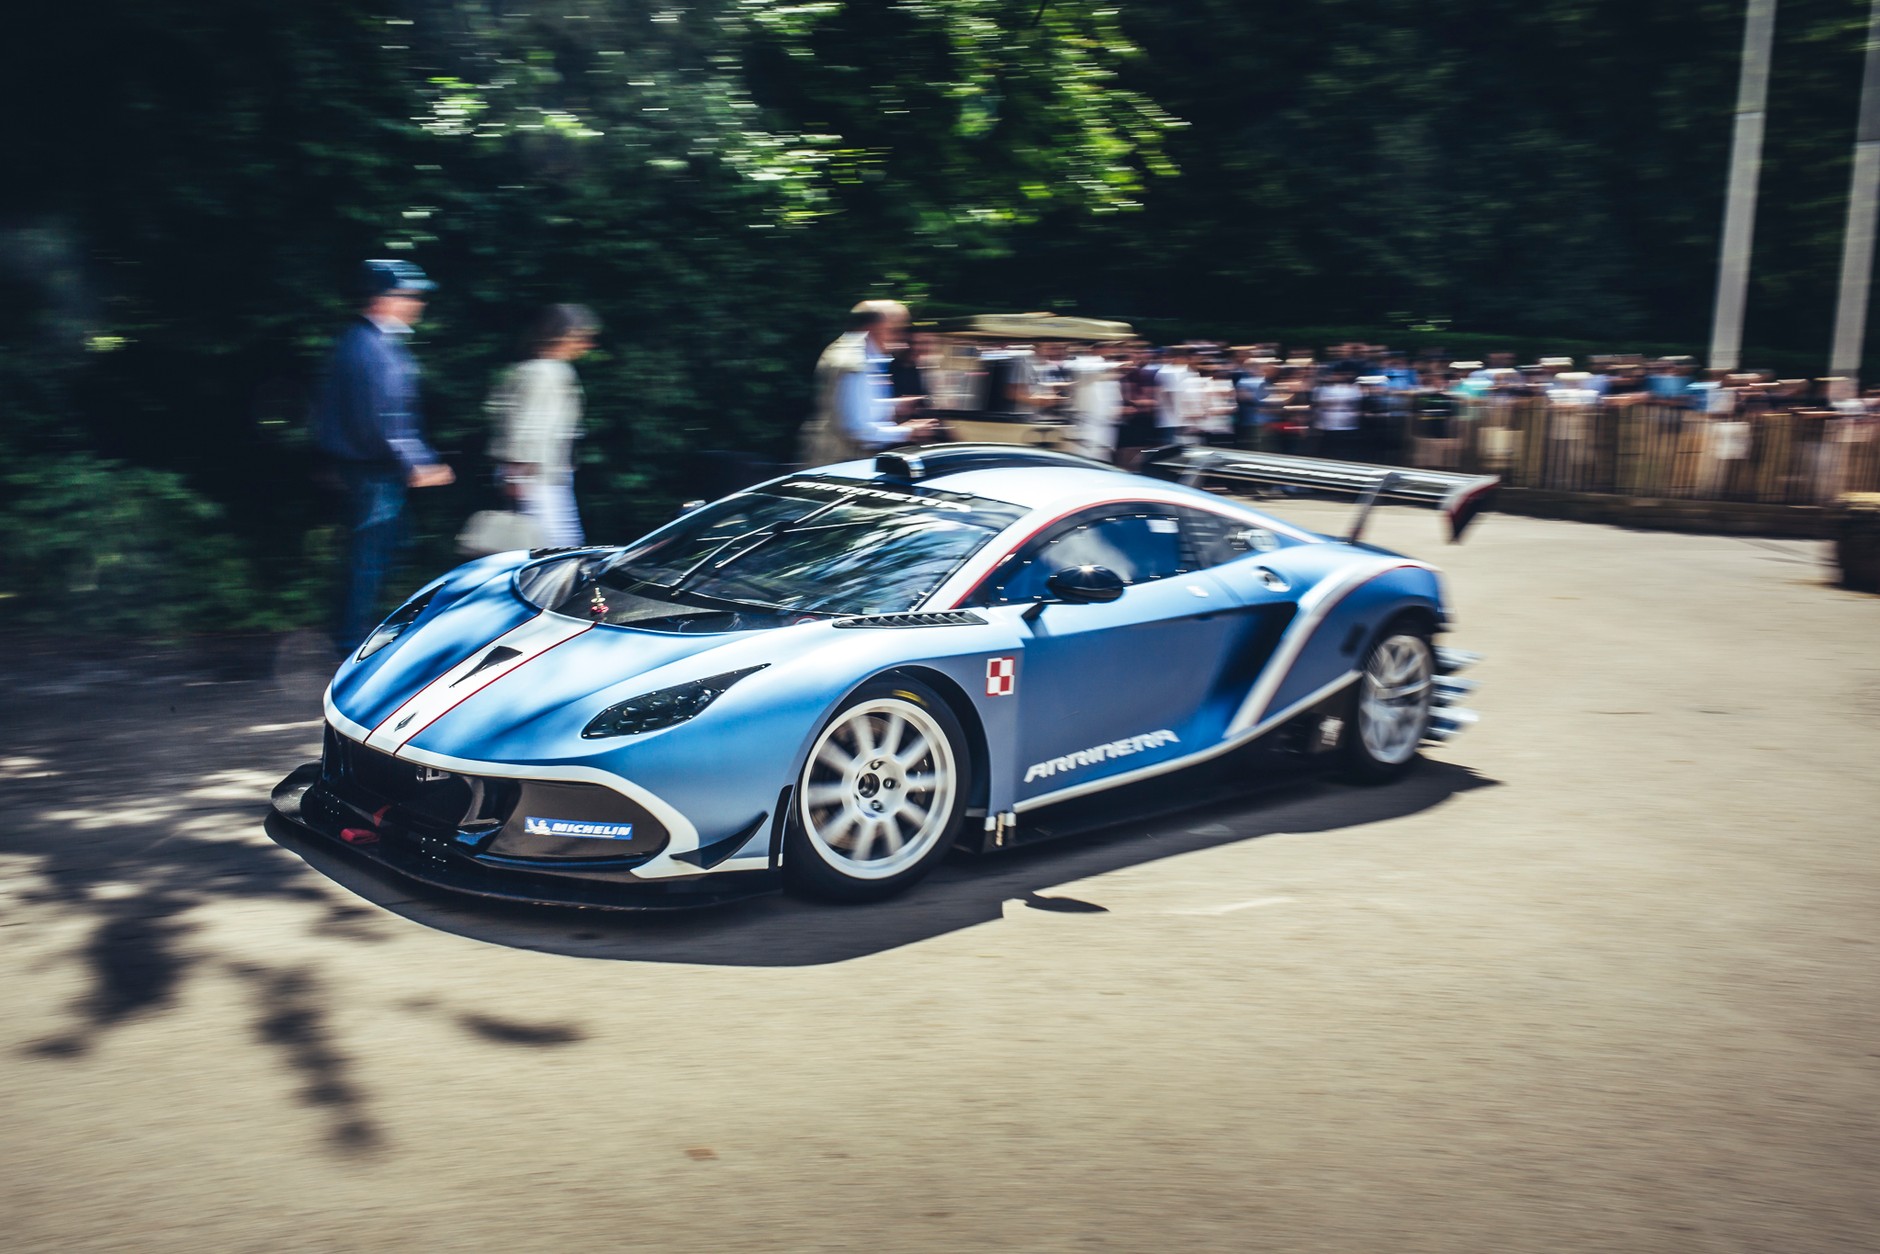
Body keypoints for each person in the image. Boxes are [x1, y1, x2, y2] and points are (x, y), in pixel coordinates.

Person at [310, 259, 455, 658]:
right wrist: (417, 464)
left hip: (365, 468)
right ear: (382, 299)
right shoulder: (373, 347)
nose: (417, 303)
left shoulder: (358, 340)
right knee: (370, 559)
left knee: (380, 550)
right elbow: (386, 419)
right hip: (376, 471)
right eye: (409, 295)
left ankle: (347, 631)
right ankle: (350, 645)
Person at [487, 303, 600, 549]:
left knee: (553, 545)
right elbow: (525, 426)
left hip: (541, 474)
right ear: (563, 336)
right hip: (536, 477)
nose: (587, 345)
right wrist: (517, 476)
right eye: (583, 337)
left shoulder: (532, 369)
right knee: (555, 548)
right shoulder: (546, 372)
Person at [796, 300, 936, 464]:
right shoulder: (855, 363)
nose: (902, 339)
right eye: (896, 330)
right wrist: (908, 431)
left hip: (833, 461)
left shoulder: (844, 349)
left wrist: (893, 405)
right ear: (876, 328)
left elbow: (850, 406)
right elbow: (857, 429)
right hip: (841, 466)